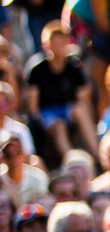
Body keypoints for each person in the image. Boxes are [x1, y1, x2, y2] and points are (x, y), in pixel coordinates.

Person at [25, 21, 96, 157]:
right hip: (47, 113)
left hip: (67, 109)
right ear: (46, 46)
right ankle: (72, 161)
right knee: (59, 126)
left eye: (61, 44)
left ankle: (97, 156)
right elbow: (33, 108)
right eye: (54, 44)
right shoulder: (37, 70)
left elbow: (83, 97)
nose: (57, 49)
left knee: (81, 110)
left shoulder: (73, 67)